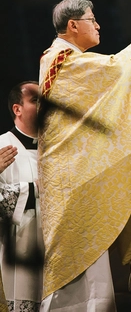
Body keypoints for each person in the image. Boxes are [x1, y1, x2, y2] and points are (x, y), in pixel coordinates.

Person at [38, 0, 131, 312]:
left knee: (89, 263)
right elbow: (118, 72)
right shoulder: (62, 59)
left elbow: (125, 78)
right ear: (73, 25)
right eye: (92, 19)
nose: (98, 25)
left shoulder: (67, 59)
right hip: (71, 176)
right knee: (77, 263)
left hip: (75, 173)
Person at [0, 80, 42, 312]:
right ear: (17, 109)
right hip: (14, 255)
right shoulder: (2, 146)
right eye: (36, 100)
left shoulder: (58, 149)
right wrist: (35, 190)